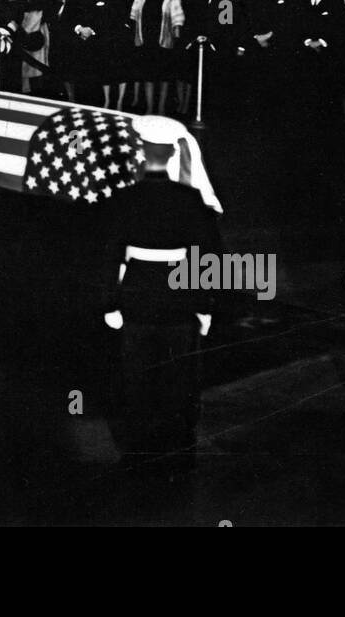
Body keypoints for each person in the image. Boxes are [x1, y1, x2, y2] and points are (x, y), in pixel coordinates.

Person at [102, 115, 221, 475]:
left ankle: (138, 451)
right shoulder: (191, 200)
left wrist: (111, 303)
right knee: (179, 376)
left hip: (137, 292)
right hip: (179, 296)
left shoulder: (124, 199)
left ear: (141, 152)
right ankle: (179, 451)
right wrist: (204, 305)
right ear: (172, 154)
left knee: (136, 376)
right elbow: (207, 256)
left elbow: (107, 253)